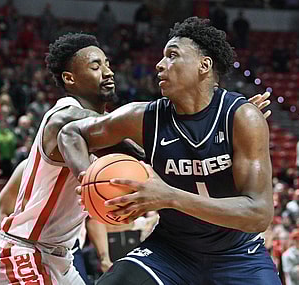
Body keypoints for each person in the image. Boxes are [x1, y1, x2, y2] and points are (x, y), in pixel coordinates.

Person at [67, 17, 279, 284]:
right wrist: (87, 176)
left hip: (237, 254)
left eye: (172, 55)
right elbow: (72, 132)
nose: (159, 64)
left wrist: (169, 197)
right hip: (170, 250)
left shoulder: (242, 117)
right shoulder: (142, 117)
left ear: (204, 65)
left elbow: (259, 214)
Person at [0, 33, 117, 285]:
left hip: (60, 257)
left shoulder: (99, 128)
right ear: (70, 78)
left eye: (107, 63)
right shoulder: (64, 115)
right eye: (95, 66)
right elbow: (125, 133)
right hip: (25, 249)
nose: (108, 72)